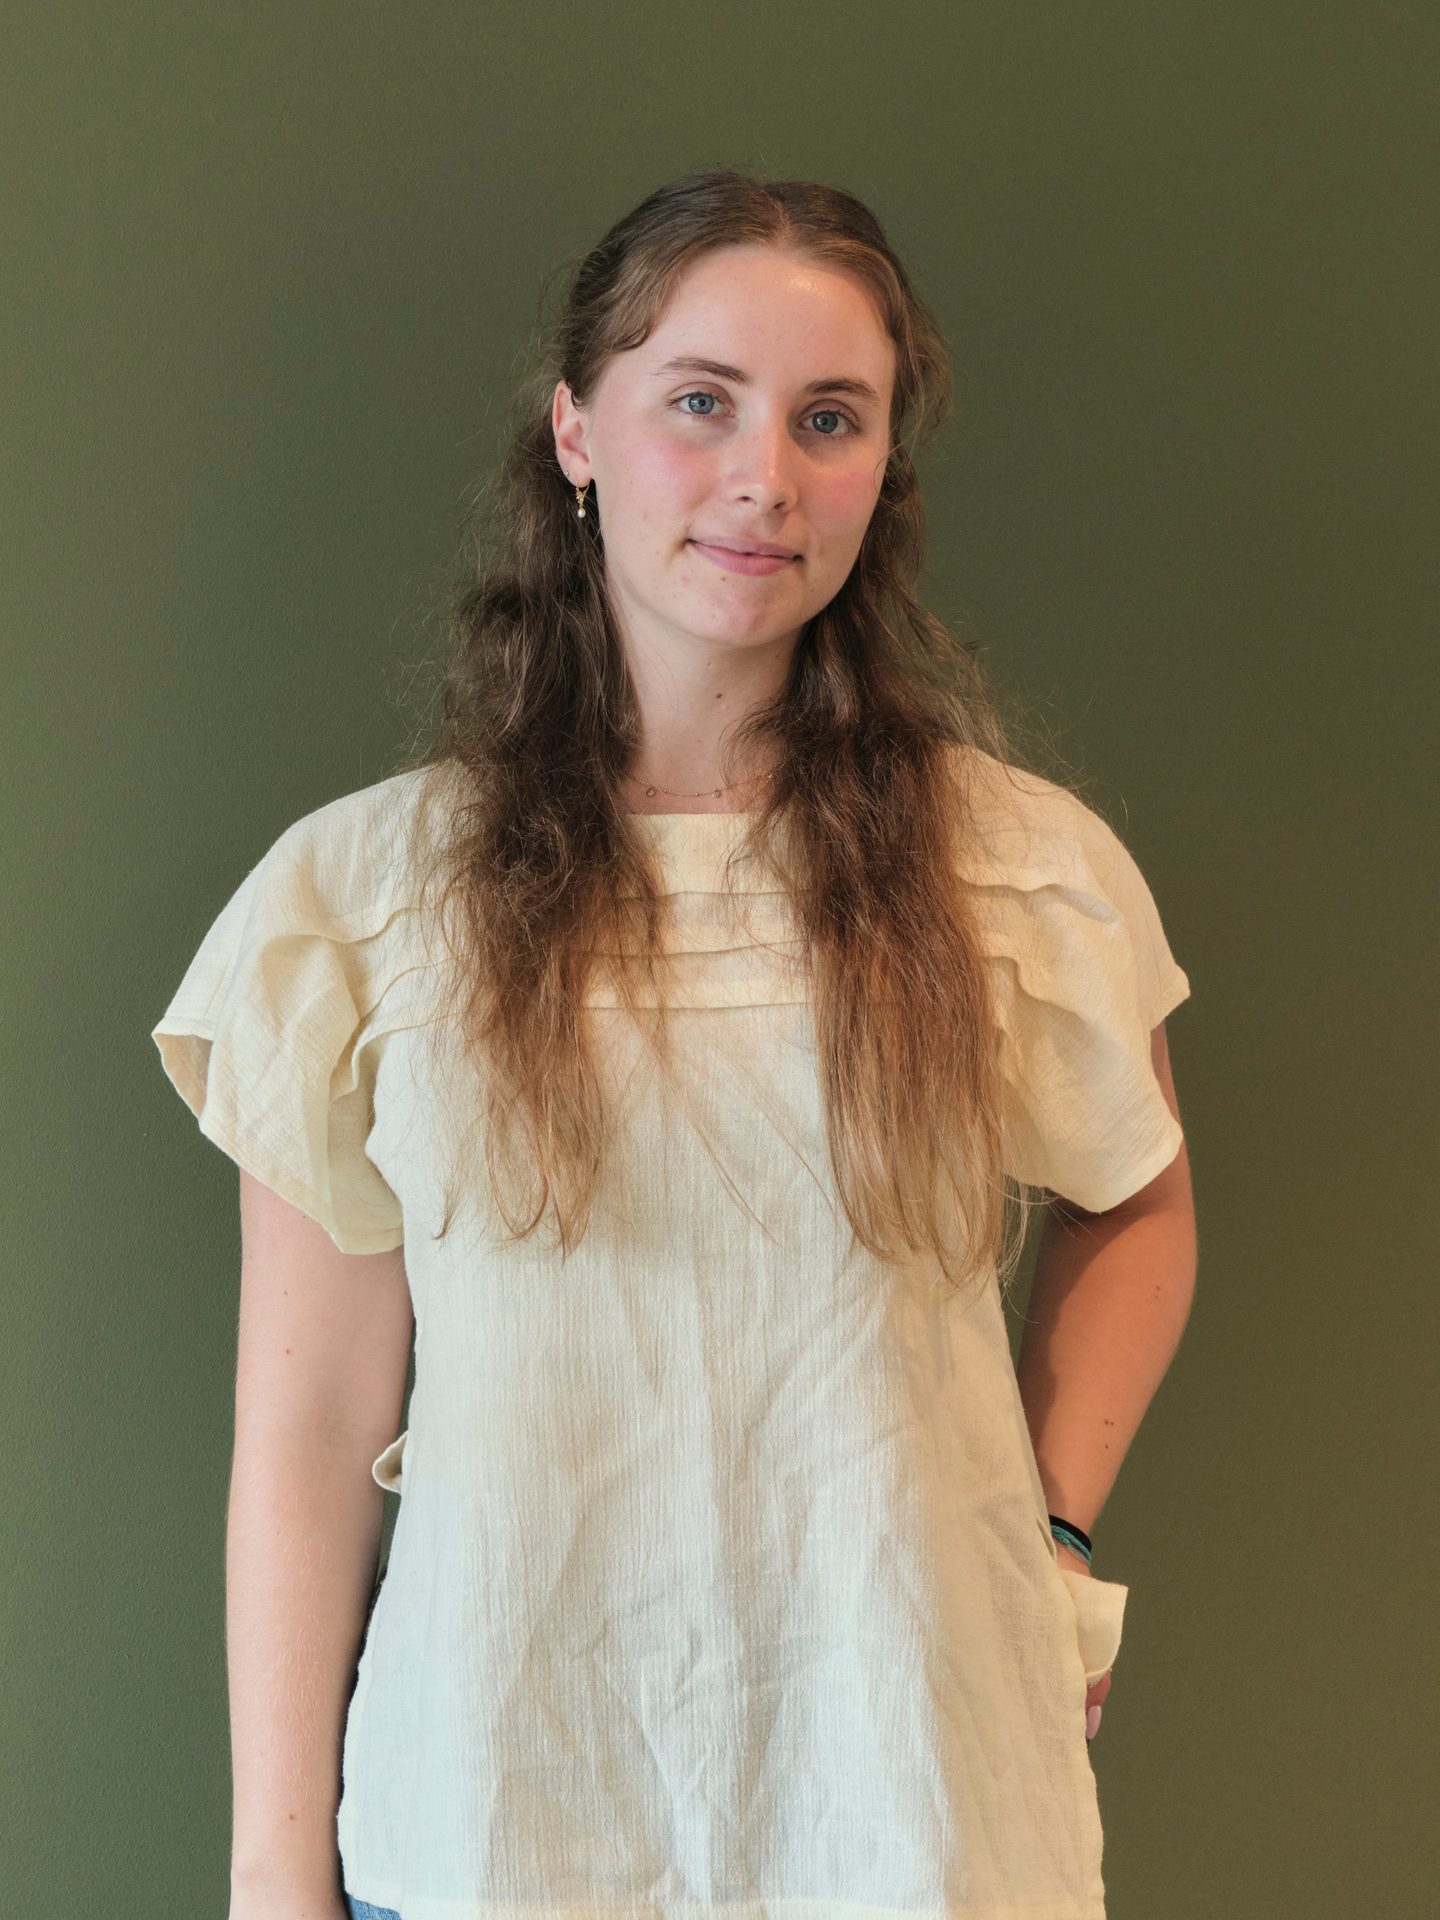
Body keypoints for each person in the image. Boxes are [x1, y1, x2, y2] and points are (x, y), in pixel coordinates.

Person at [151, 170, 1196, 1920]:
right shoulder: (358, 902)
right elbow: (312, 1427)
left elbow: (1140, 1210)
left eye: (830, 419)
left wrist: (1055, 1534)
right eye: (698, 400)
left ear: (881, 472)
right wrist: (275, 1874)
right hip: (493, 1824)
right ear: (578, 432)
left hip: (927, 1820)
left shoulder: (1012, 870)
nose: (762, 477)